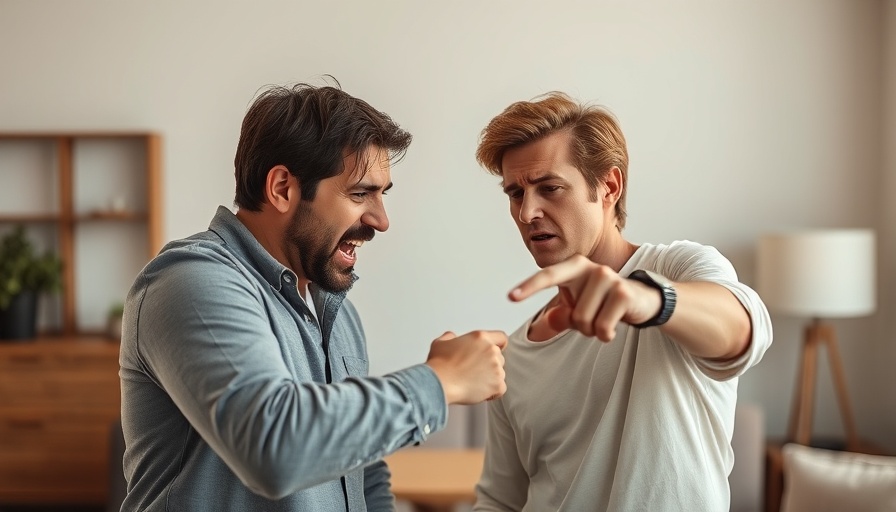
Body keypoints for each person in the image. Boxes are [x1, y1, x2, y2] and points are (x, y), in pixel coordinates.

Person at [118, 82, 508, 512]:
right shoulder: (191, 282)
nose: (381, 220)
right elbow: (273, 446)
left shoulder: (338, 313)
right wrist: (441, 380)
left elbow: (361, 473)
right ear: (283, 188)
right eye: (360, 193)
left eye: (383, 194)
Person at [471, 92, 773, 511]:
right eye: (516, 194)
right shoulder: (515, 353)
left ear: (609, 187)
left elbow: (745, 331)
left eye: (550, 188)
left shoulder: (679, 268)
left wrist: (648, 300)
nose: (527, 213)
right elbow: (501, 501)